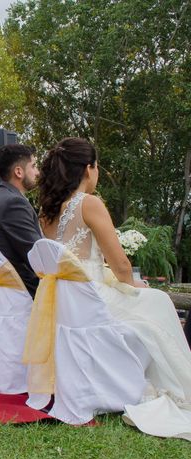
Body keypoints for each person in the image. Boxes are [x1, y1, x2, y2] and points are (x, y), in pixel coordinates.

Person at [38, 137, 191, 439]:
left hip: (66, 303)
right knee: (157, 301)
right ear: (88, 169)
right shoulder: (89, 203)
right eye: (98, 167)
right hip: (93, 298)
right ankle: (180, 384)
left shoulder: (47, 212)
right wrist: (134, 285)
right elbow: (120, 264)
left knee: (147, 300)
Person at [0, 144, 42, 297]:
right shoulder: (13, 203)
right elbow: (37, 258)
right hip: (24, 296)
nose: (37, 172)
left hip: (7, 294)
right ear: (18, 172)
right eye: (33, 166)